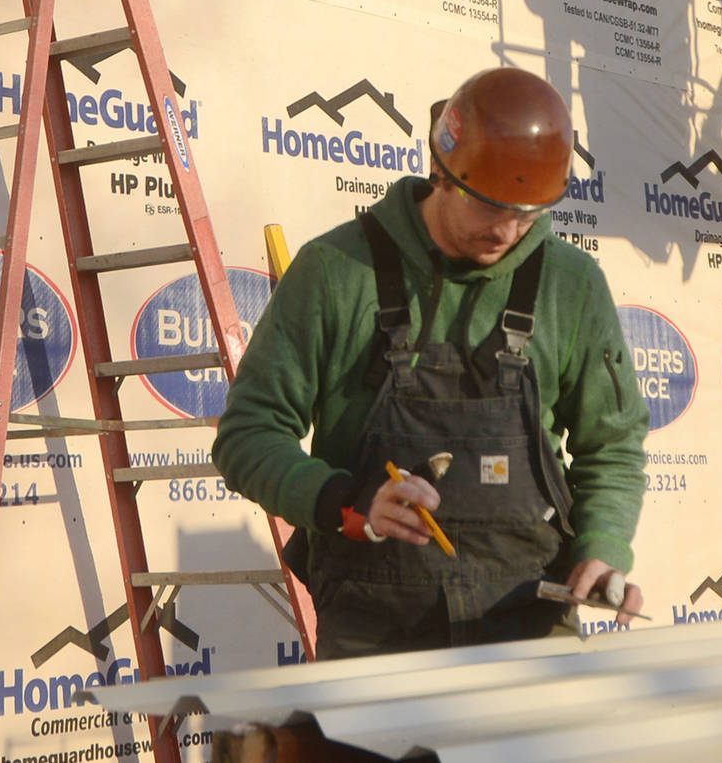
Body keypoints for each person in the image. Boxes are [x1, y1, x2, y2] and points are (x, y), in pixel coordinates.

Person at [214, 66, 650, 658]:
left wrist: (604, 546)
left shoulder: (570, 285)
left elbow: (613, 443)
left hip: (529, 621)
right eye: (490, 207)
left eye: (527, 214)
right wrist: (350, 499)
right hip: (375, 628)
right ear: (441, 172)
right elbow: (248, 435)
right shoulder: (335, 272)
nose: (508, 230)